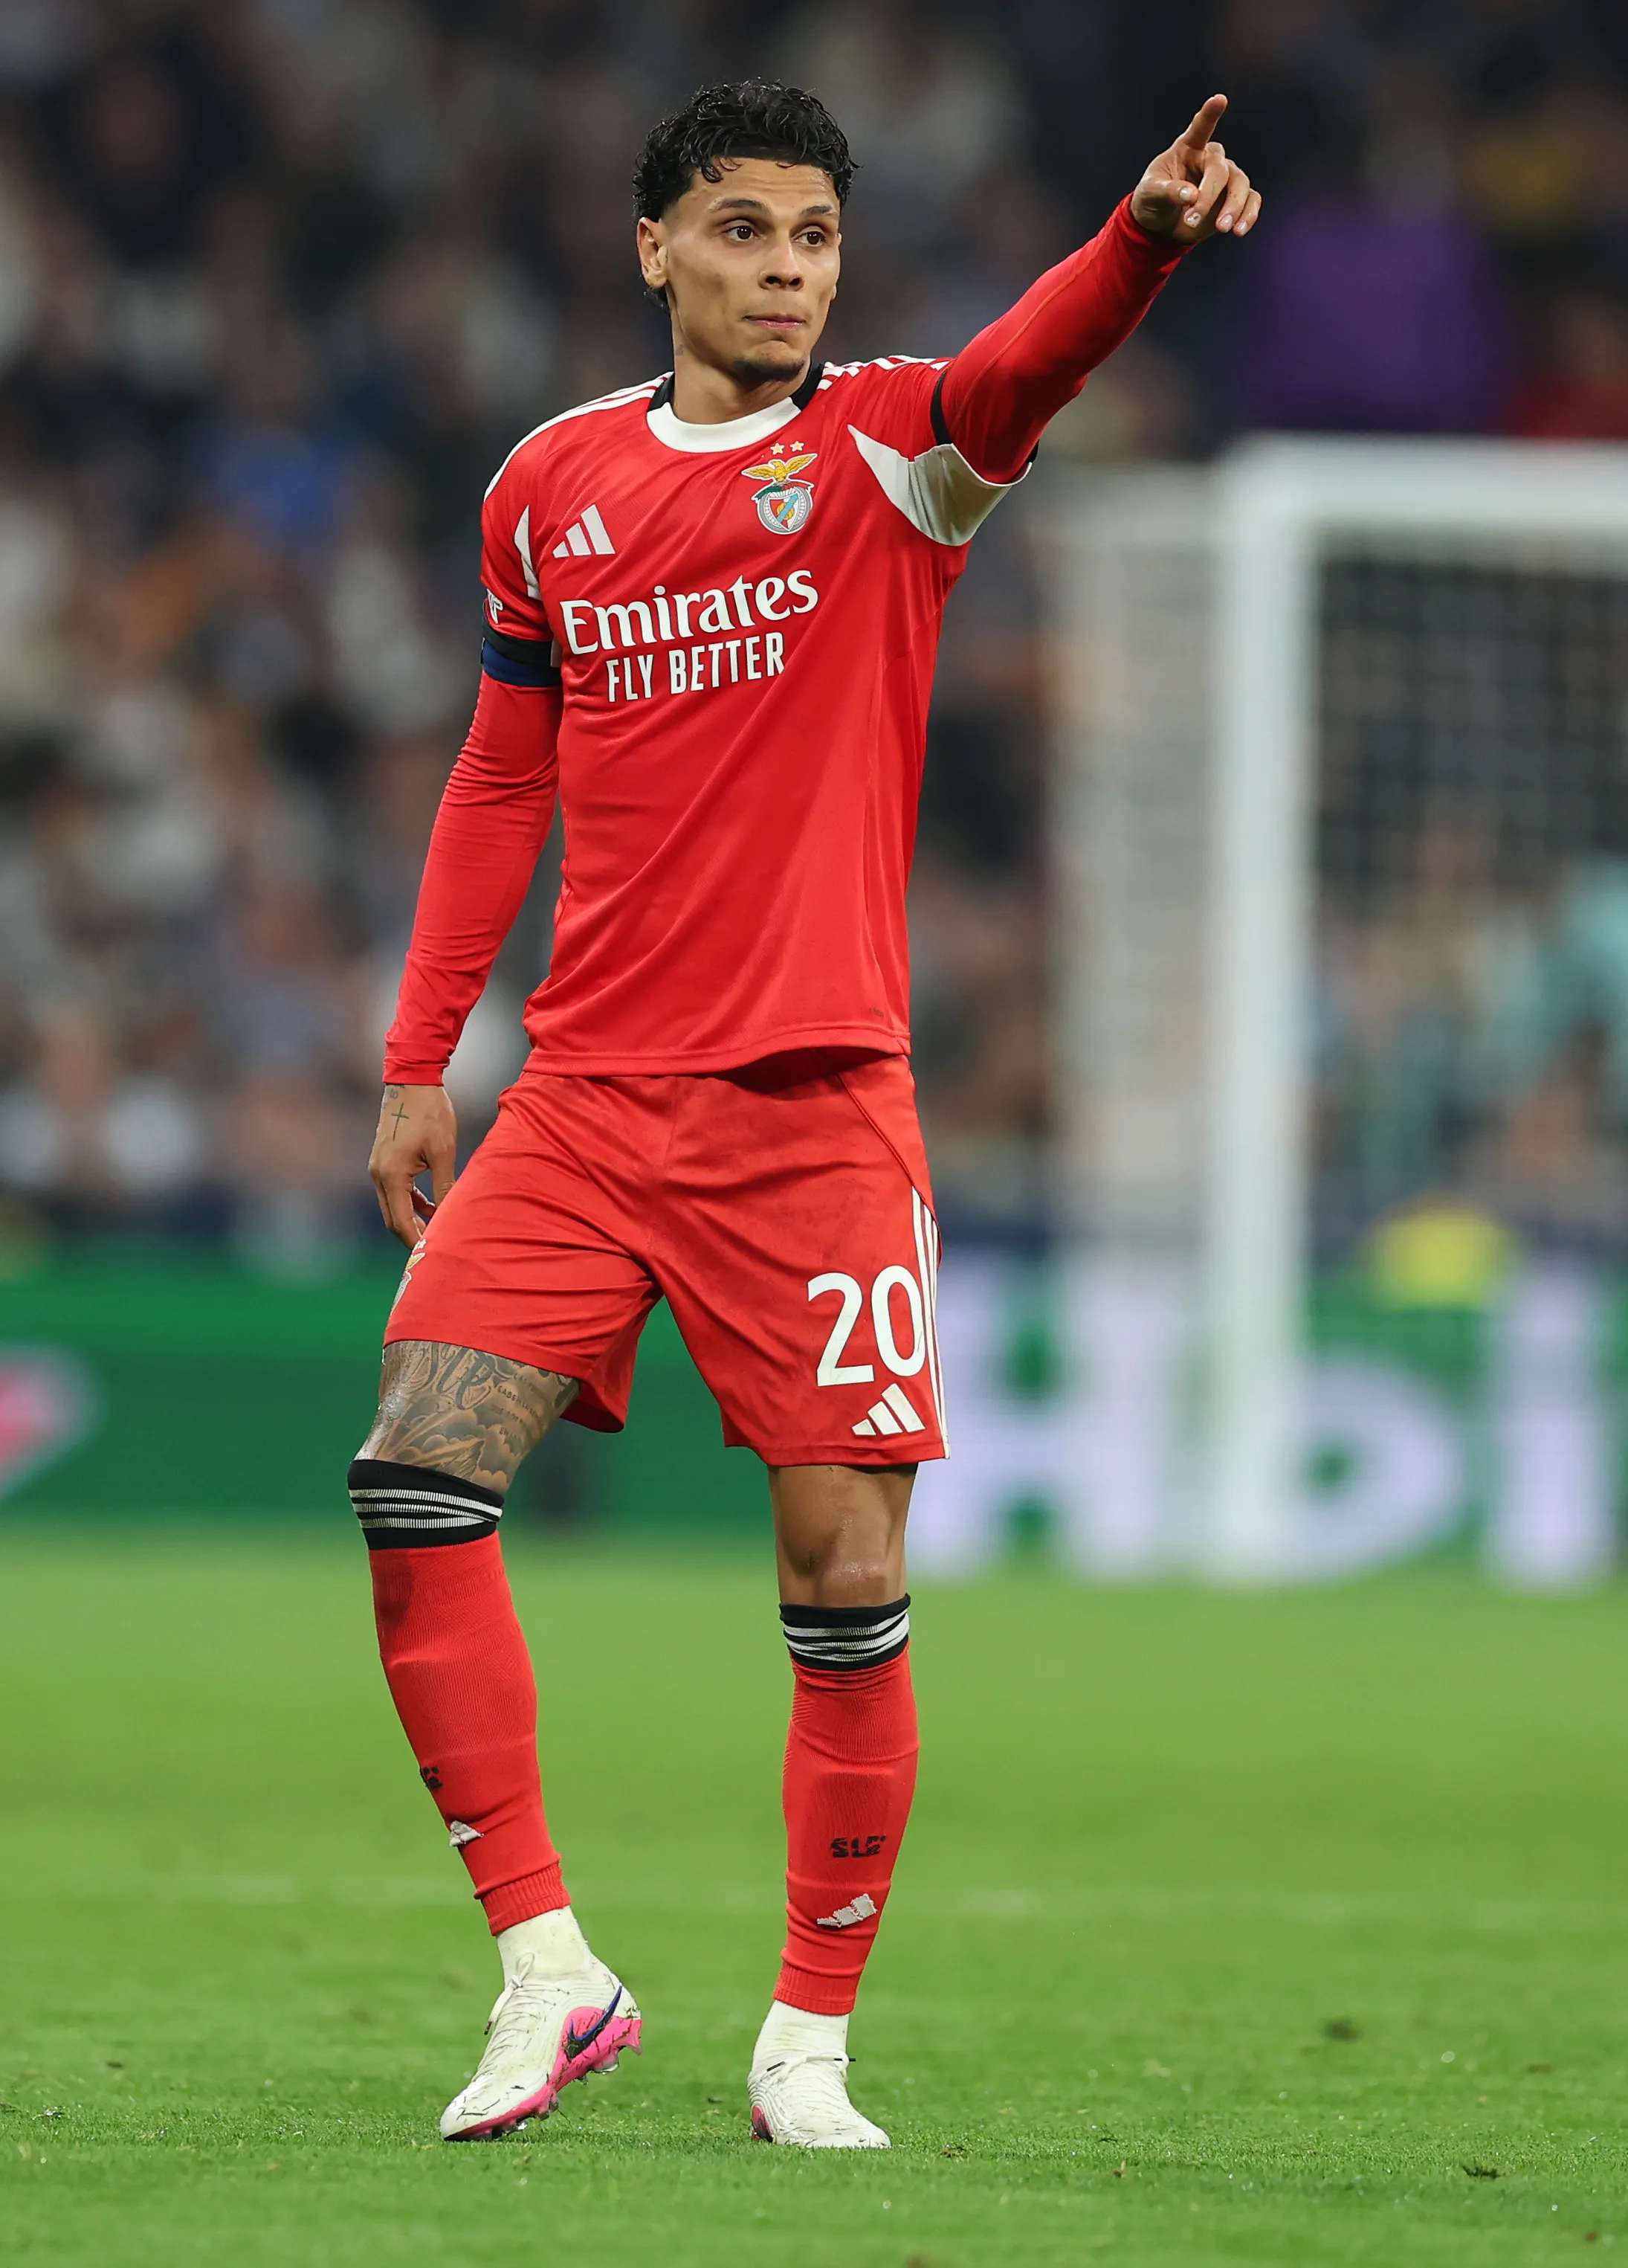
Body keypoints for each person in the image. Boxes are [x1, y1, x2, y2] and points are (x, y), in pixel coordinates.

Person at [355, 77, 1257, 2149]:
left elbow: (1032, 361)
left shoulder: (895, 456)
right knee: (413, 1482)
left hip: (817, 1112)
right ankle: (550, 1973)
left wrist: (1135, 236)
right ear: (655, 245)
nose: (784, 272)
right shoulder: (547, 486)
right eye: (743, 229)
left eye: (815, 238)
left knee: (844, 1579)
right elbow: (501, 777)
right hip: (582, 1100)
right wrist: (421, 1055)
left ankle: (805, 2044)